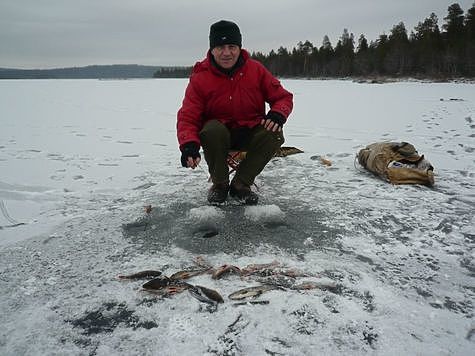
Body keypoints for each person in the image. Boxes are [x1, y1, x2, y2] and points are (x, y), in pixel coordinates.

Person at [177, 20, 293, 205]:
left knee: (275, 132)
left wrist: (278, 113)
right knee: (211, 129)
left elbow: (283, 98)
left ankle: (241, 184)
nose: (226, 53)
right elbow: (188, 116)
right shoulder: (200, 78)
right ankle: (220, 184)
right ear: (212, 49)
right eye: (220, 47)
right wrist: (189, 145)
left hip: (250, 131)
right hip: (218, 137)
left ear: (239, 47)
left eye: (232, 46)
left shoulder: (256, 70)